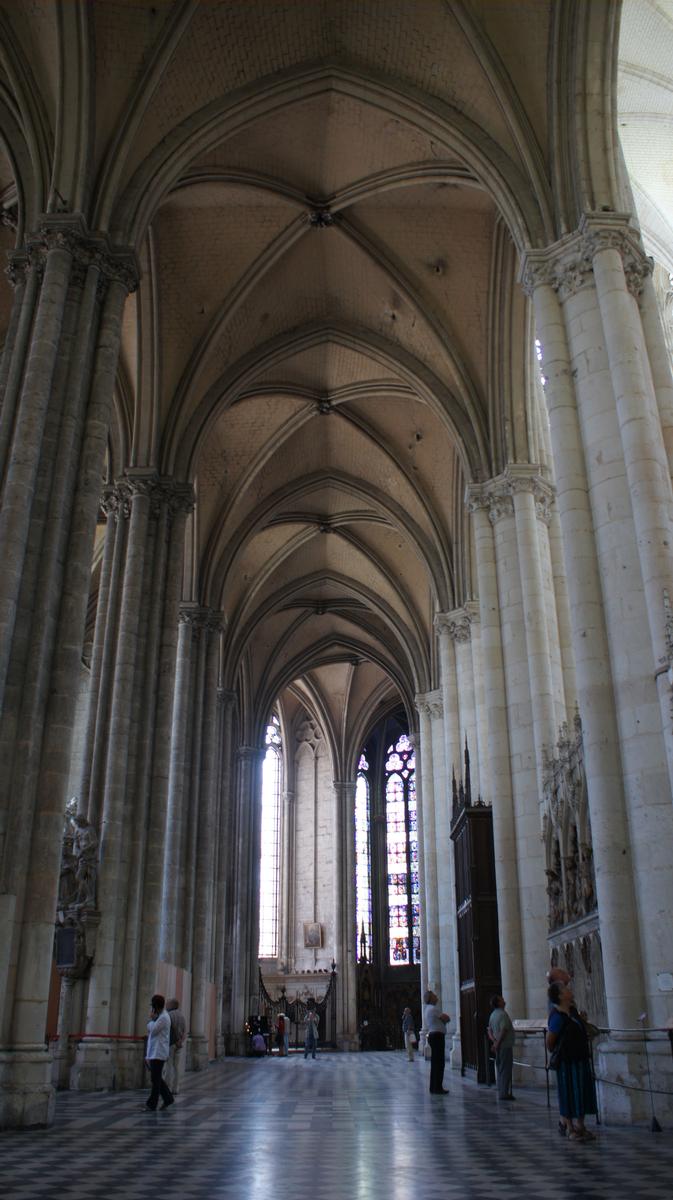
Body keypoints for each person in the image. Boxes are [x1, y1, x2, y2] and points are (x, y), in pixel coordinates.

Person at [546, 980, 597, 1141]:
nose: (569, 990)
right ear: (560, 995)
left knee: (581, 1091)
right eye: (565, 988)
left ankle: (581, 1125)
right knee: (568, 1092)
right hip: (566, 1061)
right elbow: (550, 1041)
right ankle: (569, 1127)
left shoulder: (573, 1012)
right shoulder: (556, 1016)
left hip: (580, 1057)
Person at [144, 994, 174, 1112]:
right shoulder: (161, 1016)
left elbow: (153, 1030)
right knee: (156, 1078)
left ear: (155, 1006)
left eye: (153, 1006)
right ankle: (168, 1098)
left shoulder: (163, 1017)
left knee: (155, 1079)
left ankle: (152, 1104)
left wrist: (151, 1020)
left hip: (159, 1053)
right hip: (156, 1052)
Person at [422, 989, 450, 1094]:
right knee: (439, 1063)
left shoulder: (428, 1009)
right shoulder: (433, 1009)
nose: (436, 996)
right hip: (437, 1036)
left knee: (435, 1063)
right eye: (434, 995)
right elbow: (446, 1018)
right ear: (430, 998)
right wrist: (445, 1019)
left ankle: (434, 1087)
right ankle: (437, 1087)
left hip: (434, 1035)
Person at [488, 995, 515, 1101]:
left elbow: (489, 1030)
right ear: (499, 1003)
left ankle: (501, 1090)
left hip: (498, 1045)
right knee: (505, 1069)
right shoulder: (503, 1014)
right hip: (505, 1045)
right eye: (502, 1000)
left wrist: (494, 1042)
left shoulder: (493, 1014)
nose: (505, 1001)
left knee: (500, 1068)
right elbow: (504, 1030)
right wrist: (497, 1043)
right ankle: (504, 1093)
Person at [165, 998, 186, 1094]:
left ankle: (168, 1087)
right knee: (176, 1067)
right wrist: (180, 1041)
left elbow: (168, 1030)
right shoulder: (182, 1016)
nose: (166, 1005)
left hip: (171, 1043)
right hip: (179, 1044)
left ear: (172, 1005)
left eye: (168, 1004)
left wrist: (175, 1040)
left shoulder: (169, 1015)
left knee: (169, 1065)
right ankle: (176, 1088)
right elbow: (184, 1031)